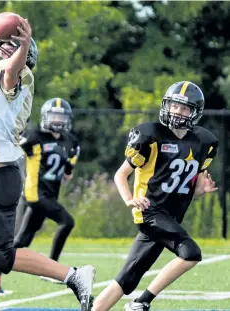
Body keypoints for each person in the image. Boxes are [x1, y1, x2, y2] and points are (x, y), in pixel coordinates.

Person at [0, 16, 95, 311]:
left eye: (12, 48)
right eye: (3, 45)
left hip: (0, 175)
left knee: (1, 256)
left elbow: (12, 71)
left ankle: (74, 276)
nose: (4, 50)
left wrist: (22, 46)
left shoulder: (17, 73)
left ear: (24, 56)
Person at [91, 81, 219, 311]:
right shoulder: (150, 136)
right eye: (174, 106)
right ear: (166, 106)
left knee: (126, 279)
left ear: (195, 112)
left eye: (184, 108)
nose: (177, 112)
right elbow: (121, 175)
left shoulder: (204, 142)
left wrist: (200, 191)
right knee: (191, 253)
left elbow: (188, 189)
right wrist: (129, 199)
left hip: (169, 217)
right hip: (150, 212)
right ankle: (141, 302)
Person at [0, 98, 80, 292]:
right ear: (46, 116)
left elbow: (68, 171)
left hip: (49, 196)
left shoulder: (70, 141)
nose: (57, 120)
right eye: (54, 115)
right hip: (35, 194)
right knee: (67, 222)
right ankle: (54, 268)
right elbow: (10, 151)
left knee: (22, 242)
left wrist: (64, 173)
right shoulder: (34, 136)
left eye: (61, 116)